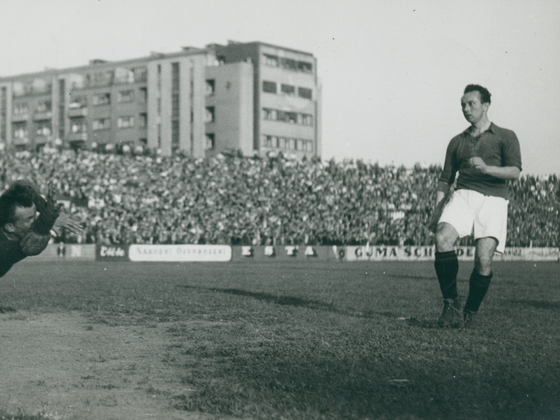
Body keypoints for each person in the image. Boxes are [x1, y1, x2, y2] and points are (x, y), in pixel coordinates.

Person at [428, 84, 522, 328]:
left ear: (486, 106)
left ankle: (470, 311)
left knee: (483, 260)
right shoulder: (457, 141)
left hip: (494, 199)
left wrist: (487, 168)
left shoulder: (505, 136)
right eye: (463, 105)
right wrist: (437, 210)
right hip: (463, 195)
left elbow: (515, 171)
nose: (466, 109)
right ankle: (450, 305)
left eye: (471, 104)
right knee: (442, 238)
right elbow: (445, 179)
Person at [0, 179, 83, 286]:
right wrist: (46, 219)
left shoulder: (4, 210)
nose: (34, 220)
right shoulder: (4, 249)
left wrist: (44, 209)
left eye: (35, 216)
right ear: (10, 227)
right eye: (29, 219)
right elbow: (29, 244)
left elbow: (21, 184)